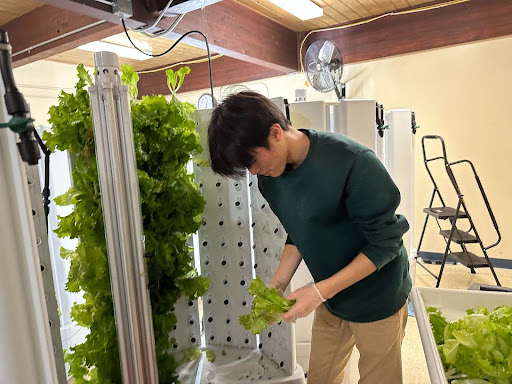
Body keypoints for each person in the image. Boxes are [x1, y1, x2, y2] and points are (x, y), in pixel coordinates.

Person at [207, 91, 411, 384]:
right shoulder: (270, 178)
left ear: (276, 132)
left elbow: (386, 243)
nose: (253, 172)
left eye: (252, 160)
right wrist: (278, 284)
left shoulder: (353, 162)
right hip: (333, 298)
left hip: (379, 296)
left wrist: (318, 292)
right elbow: (300, 229)